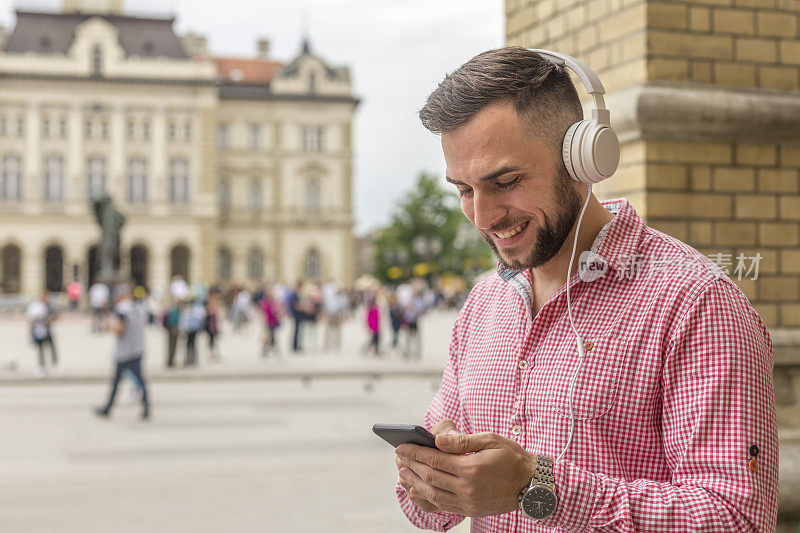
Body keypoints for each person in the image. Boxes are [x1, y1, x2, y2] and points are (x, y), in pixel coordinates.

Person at [392, 47, 778, 531]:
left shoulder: (695, 303)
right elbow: (427, 513)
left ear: (585, 159)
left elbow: (737, 518)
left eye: (506, 181)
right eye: (464, 190)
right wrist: (431, 482)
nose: (483, 217)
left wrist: (538, 488)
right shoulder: (484, 303)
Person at [94, 283, 150, 420]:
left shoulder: (122, 309)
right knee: (139, 381)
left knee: (117, 382)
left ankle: (108, 408)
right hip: (138, 348)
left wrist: (109, 327)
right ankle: (146, 407)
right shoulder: (140, 307)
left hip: (124, 352)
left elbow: (120, 328)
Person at [26, 290, 59, 378]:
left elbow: (56, 316)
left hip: (47, 330)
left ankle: (54, 365)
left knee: (52, 348)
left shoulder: (49, 306)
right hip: (38, 330)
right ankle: (41, 367)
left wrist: (49, 320)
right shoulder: (35, 306)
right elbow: (29, 318)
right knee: (40, 350)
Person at [162, 297, 181, 368]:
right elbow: (173, 321)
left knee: (172, 346)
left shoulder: (174, 310)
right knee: (172, 346)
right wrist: (174, 329)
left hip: (172, 329)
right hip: (173, 330)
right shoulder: (174, 311)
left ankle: (171, 361)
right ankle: (170, 361)